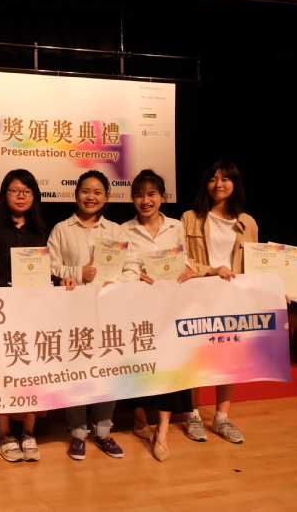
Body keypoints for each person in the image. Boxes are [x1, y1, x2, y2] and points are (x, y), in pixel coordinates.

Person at [0, 169, 75, 462]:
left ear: (34, 196)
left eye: (26, 191)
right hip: (3, 313)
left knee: (34, 372)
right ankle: (4, 433)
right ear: (4, 195)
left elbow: (45, 273)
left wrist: (59, 281)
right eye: (14, 190)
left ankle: (28, 432)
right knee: (4, 373)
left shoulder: (40, 232)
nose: (20, 196)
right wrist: (15, 289)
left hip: (34, 314)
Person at [48, 170, 139, 461]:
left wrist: (117, 283)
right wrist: (78, 273)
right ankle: (77, 432)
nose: (91, 197)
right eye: (85, 191)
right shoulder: (61, 229)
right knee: (75, 369)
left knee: (107, 368)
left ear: (106, 197)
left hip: (109, 311)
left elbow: (132, 266)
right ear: (76, 194)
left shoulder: (116, 231)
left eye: (98, 192)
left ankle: (103, 430)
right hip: (73, 312)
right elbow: (50, 265)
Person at [180, 161, 257, 444]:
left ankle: (221, 418)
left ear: (235, 184)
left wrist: (274, 289)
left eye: (225, 179)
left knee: (228, 359)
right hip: (198, 297)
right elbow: (182, 259)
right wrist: (210, 270)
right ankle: (193, 416)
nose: (218, 184)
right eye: (212, 179)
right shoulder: (190, 218)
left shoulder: (248, 222)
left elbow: (256, 265)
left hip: (233, 300)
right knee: (196, 358)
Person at [120, 169, 194, 461]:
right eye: (139, 195)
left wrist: (189, 269)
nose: (145, 200)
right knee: (138, 365)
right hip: (138, 309)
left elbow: (186, 258)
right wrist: (134, 275)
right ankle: (139, 418)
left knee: (169, 367)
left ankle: (162, 431)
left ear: (163, 196)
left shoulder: (176, 226)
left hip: (171, 308)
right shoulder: (123, 230)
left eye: (151, 194)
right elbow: (122, 267)